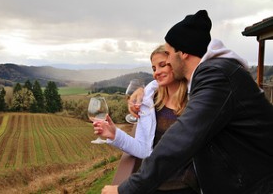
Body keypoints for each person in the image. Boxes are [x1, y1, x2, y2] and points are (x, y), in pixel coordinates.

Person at [102, 10, 273, 194]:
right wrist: (144, 89)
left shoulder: (216, 78)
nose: (166, 60)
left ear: (182, 53)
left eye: (168, 54)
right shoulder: (214, 74)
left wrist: (126, 189)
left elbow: (181, 138)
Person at [93, 45, 199, 193]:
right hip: (154, 184)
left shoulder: (195, 100)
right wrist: (114, 134)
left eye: (163, 65)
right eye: (154, 68)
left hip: (186, 186)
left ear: (176, 64)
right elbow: (144, 150)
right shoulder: (150, 103)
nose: (157, 72)